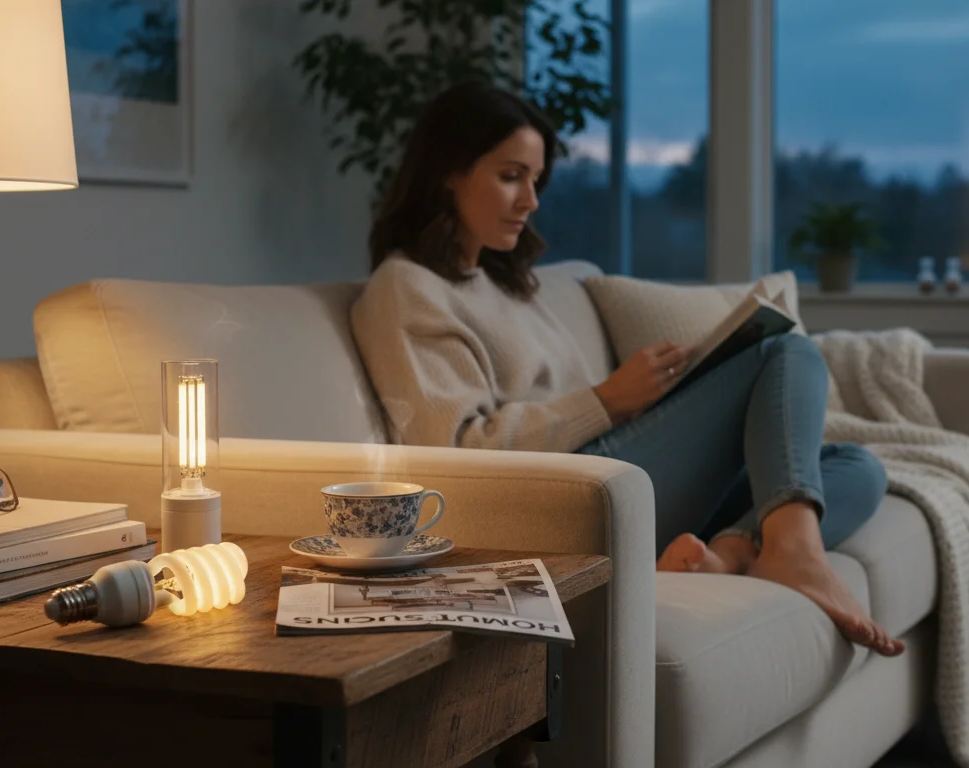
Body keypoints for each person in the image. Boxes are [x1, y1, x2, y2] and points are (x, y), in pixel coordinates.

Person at [350, 82, 903, 656]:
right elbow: (456, 451)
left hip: (604, 470)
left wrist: (656, 397)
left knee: (856, 465)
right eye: (511, 176)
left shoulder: (503, 279)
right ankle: (791, 555)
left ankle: (736, 555)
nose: (530, 200)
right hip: (553, 503)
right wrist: (608, 400)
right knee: (786, 352)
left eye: (536, 181)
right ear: (447, 172)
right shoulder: (407, 288)